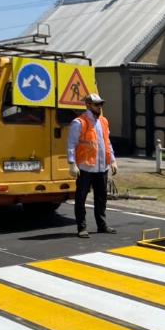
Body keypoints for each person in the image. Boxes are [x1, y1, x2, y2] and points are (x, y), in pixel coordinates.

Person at [67, 93, 118, 238]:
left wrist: (113, 160)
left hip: (102, 167)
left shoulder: (103, 121)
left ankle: (102, 225)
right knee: (81, 198)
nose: (100, 107)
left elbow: (107, 143)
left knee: (101, 197)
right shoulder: (79, 122)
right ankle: (81, 227)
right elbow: (71, 145)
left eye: (101, 104)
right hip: (85, 167)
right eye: (97, 104)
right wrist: (72, 163)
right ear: (88, 105)